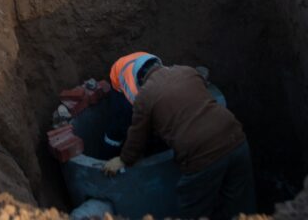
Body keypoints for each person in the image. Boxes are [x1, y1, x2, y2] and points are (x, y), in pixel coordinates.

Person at [103, 52, 256, 220]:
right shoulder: (187, 71)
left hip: (201, 156)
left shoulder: (145, 97)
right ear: (158, 64)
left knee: (195, 212)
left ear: (140, 80)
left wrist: (124, 159)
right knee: (241, 206)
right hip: (236, 140)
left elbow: (137, 135)